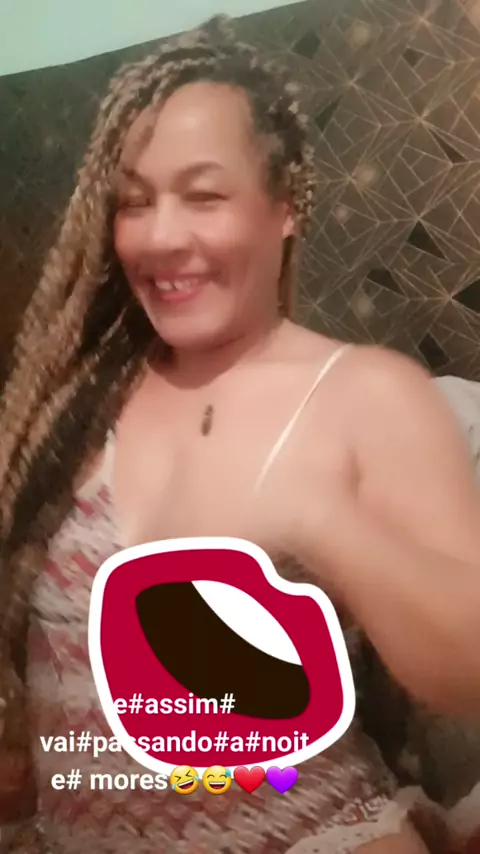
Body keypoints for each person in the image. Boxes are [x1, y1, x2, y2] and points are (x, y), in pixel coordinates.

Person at [0, 15, 479, 854]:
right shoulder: (76, 401)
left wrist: (321, 519)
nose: (160, 236)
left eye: (204, 195)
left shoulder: (363, 393)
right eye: (134, 201)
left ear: (284, 206)